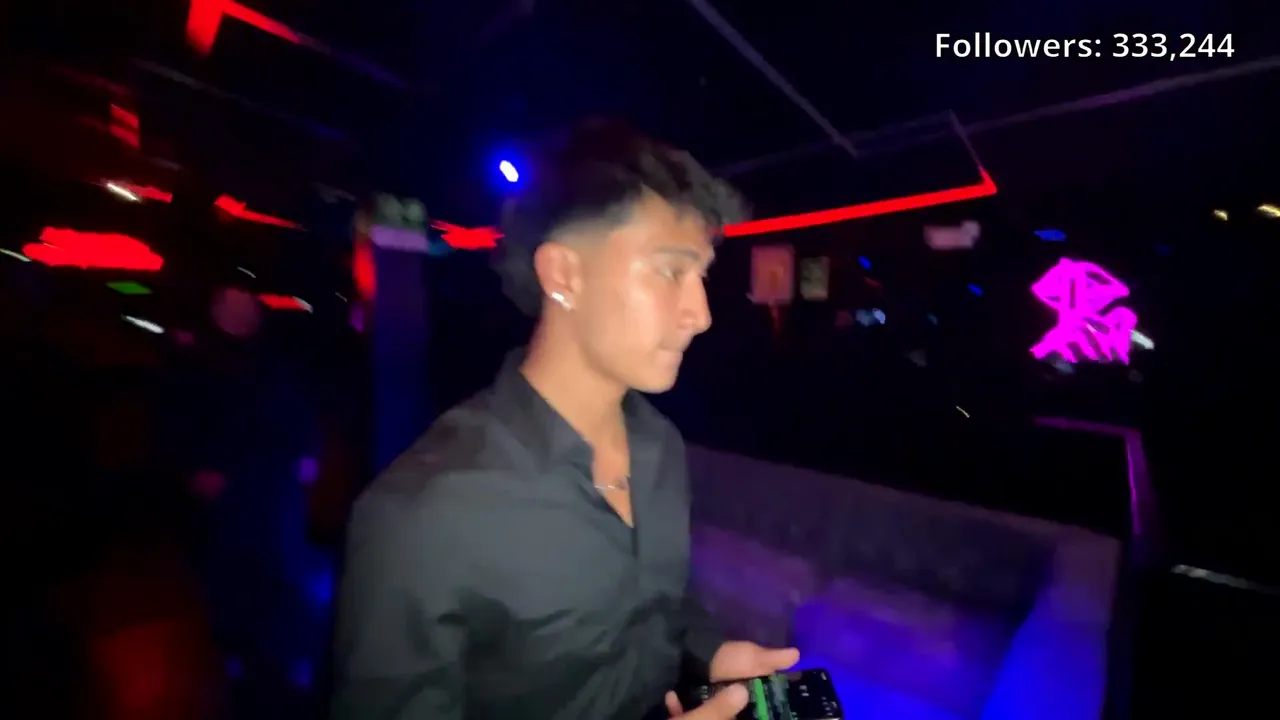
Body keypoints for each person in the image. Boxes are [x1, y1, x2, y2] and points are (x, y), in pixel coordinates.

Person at [331, 119, 799, 720]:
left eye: (701, 275)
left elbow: (657, 607)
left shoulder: (660, 448)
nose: (701, 313)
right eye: (670, 271)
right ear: (565, 276)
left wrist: (712, 654)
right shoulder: (425, 512)